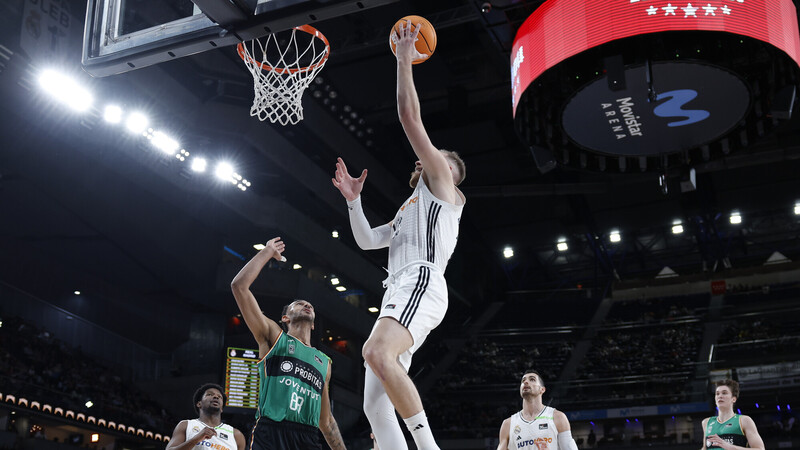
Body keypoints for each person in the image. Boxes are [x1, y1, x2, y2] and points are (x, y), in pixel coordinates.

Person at [331, 19, 466, 450]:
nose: (432, 158)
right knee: (374, 403)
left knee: (374, 353)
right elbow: (369, 241)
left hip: (421, 280)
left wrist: (405, 58)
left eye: (441, 158)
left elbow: (410, 118)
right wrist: (353, 201)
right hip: (401, 288)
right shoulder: (411, 210)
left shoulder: (443, 188)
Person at [231, 238, 347, 450]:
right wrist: (267, 252)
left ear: (313, 326)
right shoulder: (274, 337)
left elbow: (326, 421)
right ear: (285, 318)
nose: (307, 304)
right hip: (272, 432)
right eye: (299, 304)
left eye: (309, 304)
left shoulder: (324, 363)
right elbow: (239, 287)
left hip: (307, 437)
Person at [496, 371, 578, 450]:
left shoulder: (558, 417)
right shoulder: (508, 424)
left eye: (532, 379)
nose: (526, 382)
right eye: (523, 380)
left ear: (542, 389)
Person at [166, 383, 246, 450]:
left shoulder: (236, 435)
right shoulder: (186, 425)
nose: (216, 397)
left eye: (219, 396)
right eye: (209, 394)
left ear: (221, 408)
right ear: (199, 404)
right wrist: (197, 438)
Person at [701, 379, 765, 450]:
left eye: (724, 393)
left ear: (733, 399)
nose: (720, 396)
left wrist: (731, 447)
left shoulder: (744, 420)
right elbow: (704, 448)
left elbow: (760, 449)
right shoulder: (706, 422)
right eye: (717, 393)